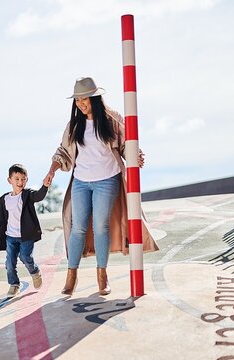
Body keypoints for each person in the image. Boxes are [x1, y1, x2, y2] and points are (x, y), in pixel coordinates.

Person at [44, 77, 159, 296]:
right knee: (77, 228)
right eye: (77, 100)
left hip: (107, 181)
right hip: (80, 182)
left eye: (84, 98)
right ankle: (71, 275)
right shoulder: (74, 126)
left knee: (100, 226)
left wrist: (137, 155)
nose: (80, 103)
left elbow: (127, 145)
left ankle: (102, 275)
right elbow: (63, 153)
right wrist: (52, 170)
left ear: (95, 98)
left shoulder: (113, 120)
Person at [0, 164, 51, 297]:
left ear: (26, 180)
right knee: (10, 263)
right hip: (10, 237)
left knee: (25, 257)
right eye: (16, 179)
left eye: (23, 179)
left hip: (26, 236)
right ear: (9, 180)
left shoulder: (28, 195)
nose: (20, 182)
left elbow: (39, 196)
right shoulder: (3, 200)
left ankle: (35, 272)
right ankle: (14, 284)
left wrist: (45, 186)